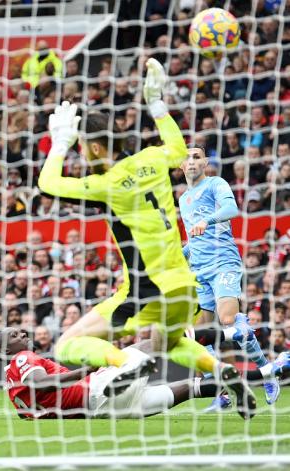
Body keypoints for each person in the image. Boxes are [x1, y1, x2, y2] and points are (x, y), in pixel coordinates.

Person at [37, 61, 256, 419]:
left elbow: (48, 184)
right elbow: (176, 147)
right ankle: (221, 372)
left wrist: (60, 143)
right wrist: (156, 104)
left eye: (81, 149)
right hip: (185, 283)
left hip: (146, 288)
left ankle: (126, 364)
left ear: (91, 149)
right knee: (168, 342)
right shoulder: (154, 159)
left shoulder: (105, 185)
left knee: (67, 345)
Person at [0, 327, 284, 420]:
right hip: (97, 388)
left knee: (190, 387)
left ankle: (264, 373)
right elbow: (41, 382)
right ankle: (230, 333)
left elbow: (29, 411)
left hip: (108, 411)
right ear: (6, 348)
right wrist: (85, 370)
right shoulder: (23, 359)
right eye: (14, 334)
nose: (23, 333)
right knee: (152, 341)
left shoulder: (11, 385)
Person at [180, 145, 280, 407]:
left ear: (205, 163)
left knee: (227, 320)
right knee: (200, 336)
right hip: (199, 271)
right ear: (180, 167)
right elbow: (194, 237)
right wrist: (183, 253)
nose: (191, 162)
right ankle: (222, 393)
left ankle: (267, 372)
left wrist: (207, 221)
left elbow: (231, 210)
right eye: (186, 159)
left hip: (223, 262)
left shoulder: (216, 184)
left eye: (196, 157)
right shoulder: (183, 199)